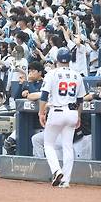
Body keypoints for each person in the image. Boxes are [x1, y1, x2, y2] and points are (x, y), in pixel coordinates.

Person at [38, 47, 86, 188]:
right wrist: (78, 116)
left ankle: (56, 170)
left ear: (57, 60)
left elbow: (44, 96)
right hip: (72, 112)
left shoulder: (52, 73)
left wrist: (41, 113)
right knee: (67, 147)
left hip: (57, 111)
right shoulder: (77, 75)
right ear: (70, 60)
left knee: (48, 144)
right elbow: (80, 100)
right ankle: (66, 180)